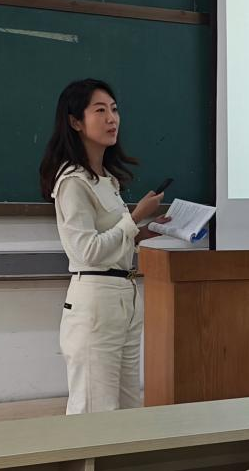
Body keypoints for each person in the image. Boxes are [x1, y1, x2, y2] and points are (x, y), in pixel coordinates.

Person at [39, 78, 169, 414]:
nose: (112, 119)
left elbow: (111, 238)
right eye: (100, 111)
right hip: (96, 300)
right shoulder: (72, 181)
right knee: (95, 410)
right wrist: (133, 218)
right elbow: (87, 252)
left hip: (125, 296)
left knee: (127, 408)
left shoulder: (106, 180)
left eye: (114, 109)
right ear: (75, 122)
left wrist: (141, 233)